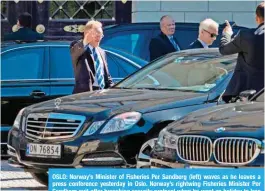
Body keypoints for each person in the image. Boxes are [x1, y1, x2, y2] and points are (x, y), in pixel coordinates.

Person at [219, 2, 264, 103]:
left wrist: (227, 34)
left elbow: (224, 49)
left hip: (250, 97)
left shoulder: (246, 36)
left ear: (257, 18)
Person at [70, 20, 114, 94]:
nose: (100, 38)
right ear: (88, 34)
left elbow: (107, 76)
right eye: (97, 36)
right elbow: (76, 52)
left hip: (102, 93)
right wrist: (85, 40)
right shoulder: (79, 48)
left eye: (101, 36)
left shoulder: (102, 52)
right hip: (85, 94)